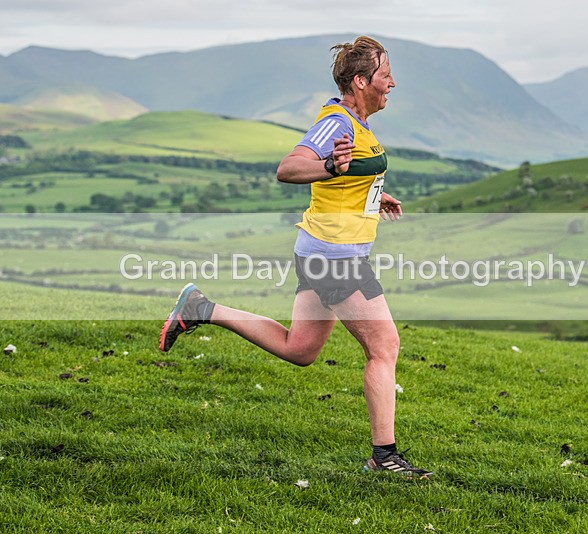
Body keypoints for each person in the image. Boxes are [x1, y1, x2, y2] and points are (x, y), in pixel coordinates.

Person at [159, 36, 431, 477]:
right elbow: (290, 167)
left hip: (324, 250)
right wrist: (329, 167)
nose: (392, 83)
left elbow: (346, 175)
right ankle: (384, 457)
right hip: (336, 257)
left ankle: (201, 308)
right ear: (361, 81)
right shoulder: (336, 122)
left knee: (300, 348)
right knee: (385, 346)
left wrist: (371, 194)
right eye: (385, 75)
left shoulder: (357, 124)